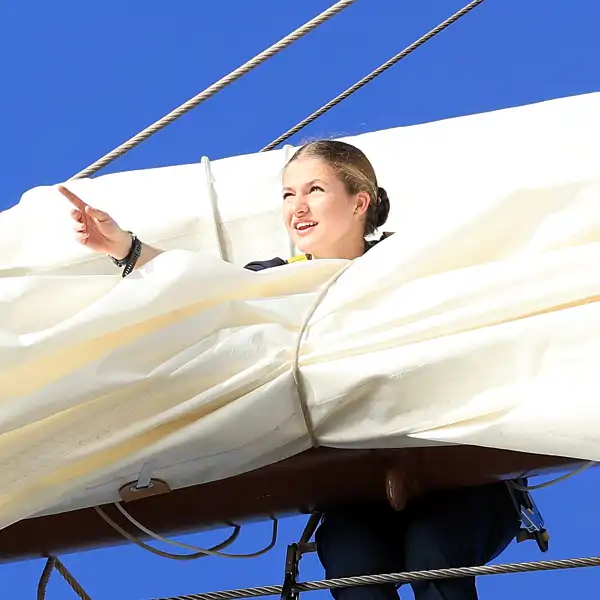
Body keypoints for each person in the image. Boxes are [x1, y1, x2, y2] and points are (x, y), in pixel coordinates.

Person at [57, 140, 521, 599]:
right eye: (287, 194)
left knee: (433, 555)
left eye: (314, 190)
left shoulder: (411, 262)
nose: (297, 206)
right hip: (356, 484)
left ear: (360, 202)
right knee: (350, 564)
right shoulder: (275, 281)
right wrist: (125, 247)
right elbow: (205, 290)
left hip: (455, 474)